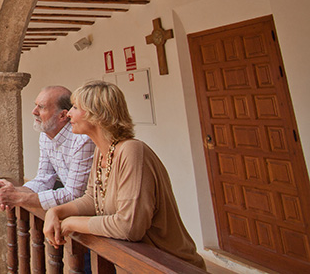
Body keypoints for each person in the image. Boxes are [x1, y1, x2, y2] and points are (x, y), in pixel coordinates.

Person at [43, 81, 205, 269]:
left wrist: (71, 223)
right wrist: (56, 212)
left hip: (168, 265)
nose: (69, 113)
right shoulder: (102, 152)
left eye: (76, 107)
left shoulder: (132, 151)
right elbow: (92, 200)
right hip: (134, 262)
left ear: (97, 114)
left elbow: (128, 226)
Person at [0, 85, 94, 218]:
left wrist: (18, 198)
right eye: (35, 105)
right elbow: (44, 178)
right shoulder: (46, 135)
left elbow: (74, 194)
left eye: (41, 107)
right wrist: (12, 192)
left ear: (62, 115)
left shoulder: (82, 140)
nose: (34, 111)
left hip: (95, 214)